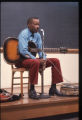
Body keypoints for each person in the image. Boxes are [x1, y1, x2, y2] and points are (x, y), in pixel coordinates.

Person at [15, 17, 63, 99]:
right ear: (29, 25)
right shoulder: (23, 34)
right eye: (35, 24)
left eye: (38, 24)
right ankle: (32, 90)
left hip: (31, 60)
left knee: (55, 61)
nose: (38, 26)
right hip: (21, 60)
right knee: (36, 62)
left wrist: (43, 59)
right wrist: (36, 59)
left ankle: (53, 88)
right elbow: (23, 51)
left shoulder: (38, 35)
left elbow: (41, 50)